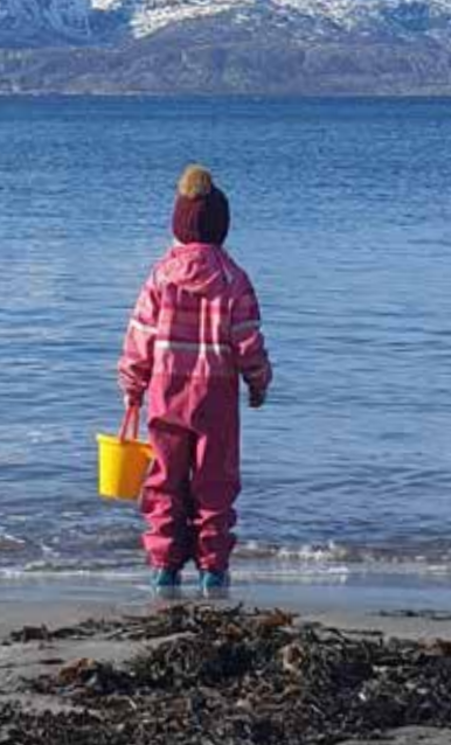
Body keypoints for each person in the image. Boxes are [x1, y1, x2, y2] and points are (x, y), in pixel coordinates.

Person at [117, 164, 273, 595]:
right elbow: (248, 341)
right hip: (216, 396)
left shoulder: (160, 276)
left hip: (167, 394)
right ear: (222, 228)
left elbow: (140, 337)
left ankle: (165, 568)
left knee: (165, 480)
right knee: (215, 483)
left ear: (179, 226)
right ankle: (212, 569)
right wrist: (258, 382)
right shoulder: (233, 279)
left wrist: (133, 385)